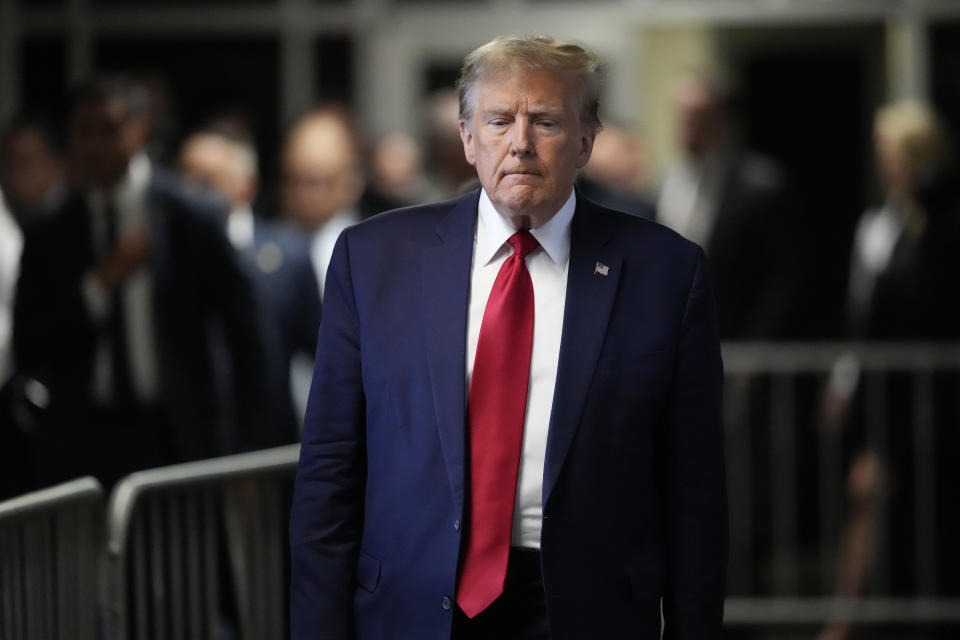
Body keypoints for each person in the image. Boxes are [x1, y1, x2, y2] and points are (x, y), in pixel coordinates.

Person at [290, 35, 727, 639]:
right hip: (415, 605)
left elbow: (695, 490)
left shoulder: (666, 273)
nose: (519, 143)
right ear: (467, 138)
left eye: (544, 120)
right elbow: (329, 472)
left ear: (585, 140)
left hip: (585, 609)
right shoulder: (373, 261)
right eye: (499, 121)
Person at [13, 76, 267, 488]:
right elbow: (31, 343)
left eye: (109, 129)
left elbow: (245, 340)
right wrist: (99, 285)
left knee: (181, 552)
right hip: (83, 442)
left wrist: (248, 452)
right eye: (83, 131)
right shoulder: (51, 229)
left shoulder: (191, 216)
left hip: (176, 435)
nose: (95, 145)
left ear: (140, 130)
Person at [179, 126, 322, 446]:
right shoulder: (166, 258)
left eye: (206, 182)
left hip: (266, 445)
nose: (190, 194)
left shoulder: (288, 256)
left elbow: (324, 351)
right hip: (188, 445)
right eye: (184, 180)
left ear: (246, 184)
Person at [657, 69, 808, 339]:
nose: (687, 128)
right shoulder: (667, 182)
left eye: (697, 117)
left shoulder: (761, 185)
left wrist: (757, 350)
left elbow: (783, 279)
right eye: (682, 117)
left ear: (721, 119)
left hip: (737, 346)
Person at [281, 106, 365, 297]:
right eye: (293, 180)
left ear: (352, 181)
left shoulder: (373, 254)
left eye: (316, 182)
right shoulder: (266, 254)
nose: (303, 195)